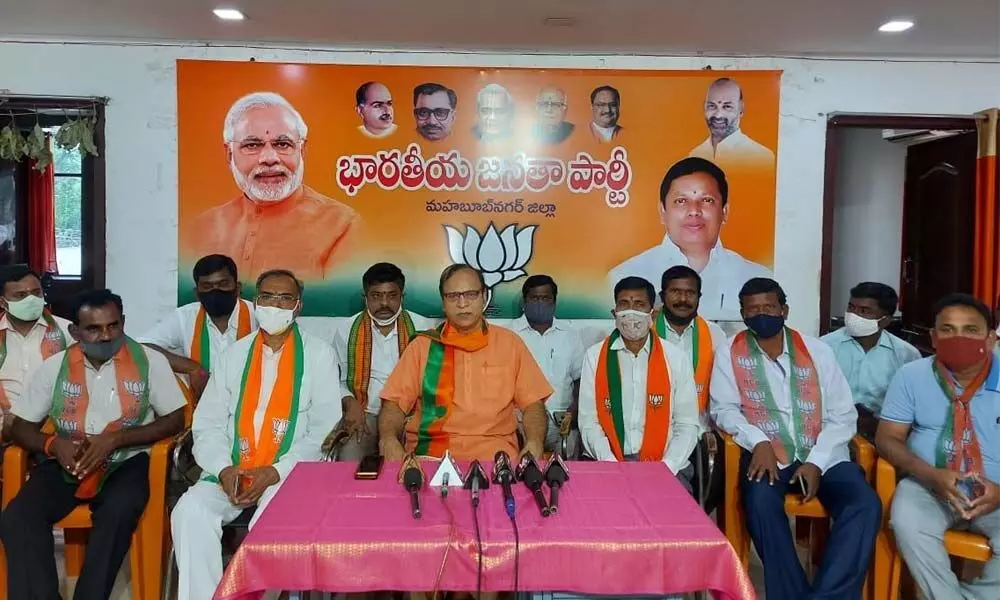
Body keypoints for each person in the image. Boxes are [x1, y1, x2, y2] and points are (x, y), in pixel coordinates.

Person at [0, 288, 186, 600]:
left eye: (113, 326)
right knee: (18, 517)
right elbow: (19, 427)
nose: (105, 336)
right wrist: (52, 445)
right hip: (66, 461)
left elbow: (175, 419)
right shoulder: (55, 366)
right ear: (75, 331)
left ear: (123, 322)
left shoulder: (150, 361)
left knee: (118, 512)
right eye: (94, 329)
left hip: (126, 461)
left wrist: (117, 438)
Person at [170, 269, 342, 600]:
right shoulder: (234, 355)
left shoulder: (319, 355)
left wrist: (275, 471)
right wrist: (223, 468)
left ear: (298, 306)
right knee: (189, 512)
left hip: (287, 475)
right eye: (267, 297)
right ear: (255, 301)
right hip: (233, 469)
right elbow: (208, 423)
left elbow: (324, 430)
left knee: (273, 525)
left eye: (284, 298)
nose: (274, 305)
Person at [710, 277, 880, 600]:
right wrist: (757, 440)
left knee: (864, 503)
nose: (762, 314)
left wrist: (816, 462)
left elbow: (843, 416)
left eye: (769, 307)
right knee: (759, 502)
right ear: (744, 315)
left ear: (784, 309)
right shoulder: (729, 353)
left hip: (824, 454)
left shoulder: (818, 352)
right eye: (753, 309)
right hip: (768, 454)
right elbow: (723, 410)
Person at [877, 293, 1000, 600]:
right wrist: (932, 476)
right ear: (933, 337)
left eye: (970, 330)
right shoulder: (912, 375)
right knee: (907, 520)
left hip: (997, 491)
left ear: (991, 337)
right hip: (929, 485)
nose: (958, 337)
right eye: (947, 329)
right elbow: (887, 437)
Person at [378, 264, 552, 461]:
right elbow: (393, 404)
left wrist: (534, 442)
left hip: (496, 456)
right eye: (453, 296)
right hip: (430, 456)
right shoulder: (423, 346)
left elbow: (533, 405)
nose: (462, 303)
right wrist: (388, 438)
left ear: (484, 296)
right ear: (443, 303)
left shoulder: (510, 343)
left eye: (471, 294)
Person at [187, 91, 360, 281]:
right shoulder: (203, 228)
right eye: (252, 145)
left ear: (301, 150)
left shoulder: (342, 226)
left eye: (283, 144)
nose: (269, 158)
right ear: (229, 155)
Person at [607, 157, 771, 321]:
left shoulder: (756, 277)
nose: (694, 211)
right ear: (662, 211)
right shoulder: (622, 276)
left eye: (707, 200)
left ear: (725, 211)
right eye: (681, 201)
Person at [578, 276, 699, 489]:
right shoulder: (594, 357)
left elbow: (686, 425)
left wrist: (666, 467)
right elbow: (589, 423)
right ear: (614, 313)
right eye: (624, 304)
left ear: (653, 312)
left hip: (667, 465)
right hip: (607, 462)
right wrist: (611, 464)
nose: (631, 312)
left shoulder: (675, 358)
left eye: (639, 304)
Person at [333, 263, 435, 460]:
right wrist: (350, 402)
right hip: (365, 414)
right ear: (366, 297)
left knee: (420, 465)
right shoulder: (347, 330)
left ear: (402, 296)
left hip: (411, 416)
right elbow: (336, 379)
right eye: (376, 296)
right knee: (348, 459)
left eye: (391, 295)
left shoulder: (423, 328)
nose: (384, 304)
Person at [655, 266, 729, 506]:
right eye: (676, 291)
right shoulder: (644, 331)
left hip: (699, 431)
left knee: (711, 486)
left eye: (690, 293)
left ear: (699, 297)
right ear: (662, 295)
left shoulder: (715, 335)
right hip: (650, 428)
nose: (683, 299)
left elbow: (723, 391)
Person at [139, 254, 257, 399]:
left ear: (237, 288)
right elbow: (141, 347)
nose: (216, 291)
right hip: (200, 409)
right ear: (197, 293)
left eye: (223, 284)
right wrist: (192, 368)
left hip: (249, 406)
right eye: (207, 286)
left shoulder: (257, 316)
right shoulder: (185, 317)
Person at [821, 282, 920, 439]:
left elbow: (911, 405)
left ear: (885, 320)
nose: (854, 315)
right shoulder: (824, 347)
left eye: (864, 311)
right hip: (829, 429)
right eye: (851, 308)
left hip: (883, 432)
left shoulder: (906, 355)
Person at [511, 275, 585, 457]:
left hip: (563, 421)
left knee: (567, 473)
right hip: (522, 420)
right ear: (524, 300)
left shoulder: (570, 335)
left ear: (554, 301)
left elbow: (579, 381)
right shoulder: (509, 334)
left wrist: (573, 413)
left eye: (545, 298)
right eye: (534, 298)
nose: (540, 303)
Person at [0, 265, 71, 438]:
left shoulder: (67, 332)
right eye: (21, 296)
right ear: (3, 303)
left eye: (36, 293)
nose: (31, 300)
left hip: (52, 428)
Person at [688, 77, 774, 169]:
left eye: (727, 106)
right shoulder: (695, 155)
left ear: (741, 109)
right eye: (712, 106)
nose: (718, 115)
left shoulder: (761, 157)